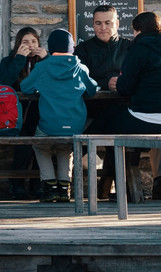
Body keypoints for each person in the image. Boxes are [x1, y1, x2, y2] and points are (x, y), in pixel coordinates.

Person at [99, 11, 161, 199]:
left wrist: (117, 82)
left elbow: (125, 87)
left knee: (105, 124)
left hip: (146, 118)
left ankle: (126, 188)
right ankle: (157, 185)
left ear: (139, 30)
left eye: (134, 31)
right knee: (119, 121)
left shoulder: (139, 48)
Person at [20, 29, 98, 202]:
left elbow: (25, 87)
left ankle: (50, 187)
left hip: (49, 124)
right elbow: (92, 90)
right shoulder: (80, 68)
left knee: (40, 146)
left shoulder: (43, 67)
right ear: (72, 48)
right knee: (65, 148)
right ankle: (64, 188)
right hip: (75, 125)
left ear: (50, 47)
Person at [75, 4, 131, 194]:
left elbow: (139, 76)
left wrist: (122, 83)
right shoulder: (83, 49)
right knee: (111, 125)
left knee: (115, 125)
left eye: (108, 23)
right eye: (98, 23)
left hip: (123, 109)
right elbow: (78, 81)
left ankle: (108, 186)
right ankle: (115, 188)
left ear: (117, 23)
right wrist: (105, 83)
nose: (103, 27)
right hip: (92, 108)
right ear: (93, 24)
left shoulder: (130, 47)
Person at [0, 27, 46, 198]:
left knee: (40, 145)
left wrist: (46, 59)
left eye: (34, 41)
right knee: (23, 145)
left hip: (40, 111)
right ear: (18, 44)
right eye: (25, 42)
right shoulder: (8, 61)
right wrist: (19, 59)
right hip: (16, 112)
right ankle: (17, 184)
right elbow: (3, 83)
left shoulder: (44, 61)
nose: (31, 45)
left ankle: (37, 184)